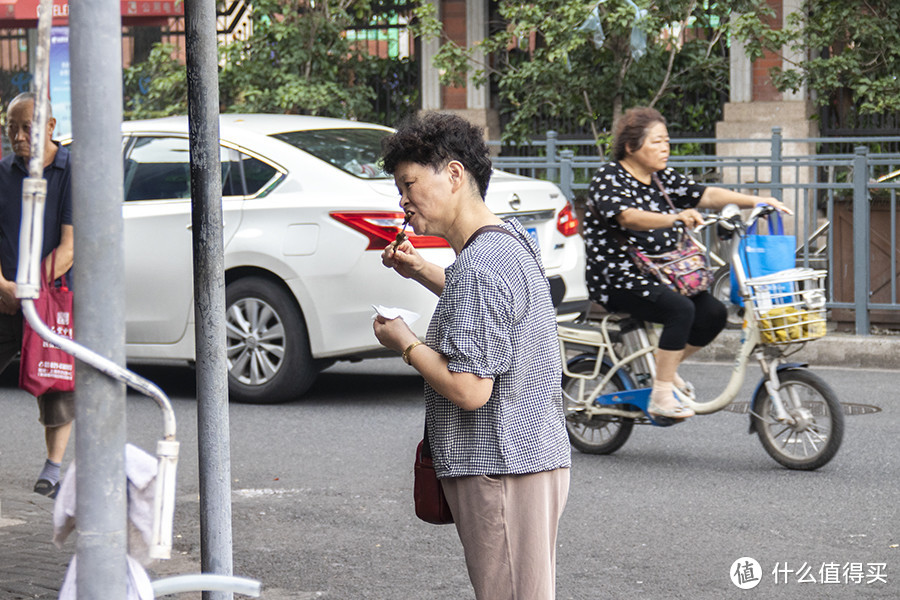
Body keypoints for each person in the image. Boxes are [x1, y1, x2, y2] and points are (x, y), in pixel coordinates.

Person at [373, 112, 571, 600]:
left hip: (502, 466)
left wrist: (406, 343)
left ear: (455, 174)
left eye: (410, 183)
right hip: (525, 459)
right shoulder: (506, 239)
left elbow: (469, 388)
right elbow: (491, 312)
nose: (403, 199)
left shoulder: (480, 266)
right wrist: (422, 271)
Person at [583, 106, 791, 420]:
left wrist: (756, 201)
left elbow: (704, 194)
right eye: (656, 142)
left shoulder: (661, 179)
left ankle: (663, 366)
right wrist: (673, 217)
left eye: (667, 141)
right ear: (630, 146)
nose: (665, 148)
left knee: (714, 312)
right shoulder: (609, 178)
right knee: (680, 310)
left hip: (663, 272)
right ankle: (662, 393)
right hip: (617, 277)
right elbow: (629, 218)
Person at [0, 92, 75, 499]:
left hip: (50, 296)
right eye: (10, 127)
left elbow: (68, 249)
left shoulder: (70, 171)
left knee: (58, 381)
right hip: (6, 296)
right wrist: (5, 287)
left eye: (26, 126)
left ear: (50, 127)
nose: (17, 135)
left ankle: (53, 468)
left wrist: (30, 290)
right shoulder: (3, 173)